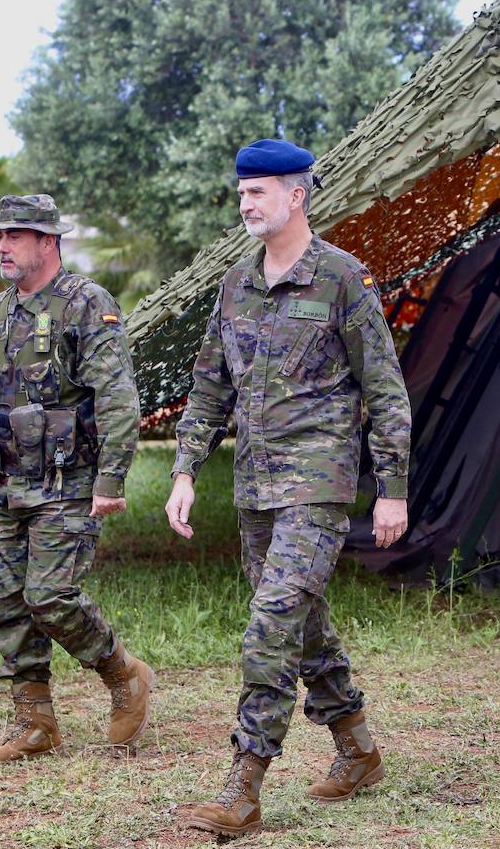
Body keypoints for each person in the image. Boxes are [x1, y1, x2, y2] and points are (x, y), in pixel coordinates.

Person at [166, 139, 412, 838]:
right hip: (254, 489)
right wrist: (185, 468)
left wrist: (390, 487)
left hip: (318, 485)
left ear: (297, 196)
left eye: (259, 193)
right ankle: (359, 748)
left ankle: (242, 787)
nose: (245, 204)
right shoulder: (234, 284)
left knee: (269, 627)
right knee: (302, 624)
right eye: (241, 193)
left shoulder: (342, 279)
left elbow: (386, 393)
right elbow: (210, 385)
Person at [0, 194, 148, 762]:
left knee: (51, 597)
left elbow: (117, 399)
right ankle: (34, 723)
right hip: (8, 484)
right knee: (9, 604)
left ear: (49, 242)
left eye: (16, 236)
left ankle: (123, 674)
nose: (4, 247)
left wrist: (111, 480)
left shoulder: (87, 304)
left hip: (69, 483)